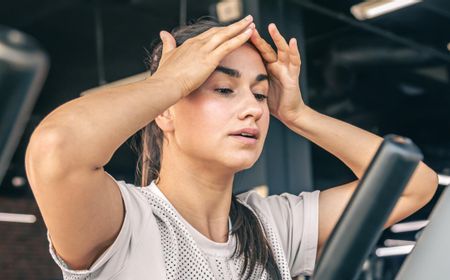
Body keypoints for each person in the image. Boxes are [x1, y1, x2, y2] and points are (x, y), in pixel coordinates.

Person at [24, 15, 439, 280]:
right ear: (165, 113)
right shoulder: (126, 224)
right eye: (224, 88)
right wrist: (168, 84)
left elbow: (411, 185)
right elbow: (57, 148)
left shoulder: (276, 227)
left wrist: (297, 114)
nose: (252, 110)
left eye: (260, 96)